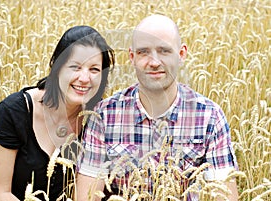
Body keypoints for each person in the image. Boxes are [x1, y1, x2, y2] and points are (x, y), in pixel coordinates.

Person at [76, 15, 239, 201]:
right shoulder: (104, 115)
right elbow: (87, 197)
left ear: (181, 54)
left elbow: (224, 196)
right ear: (132, 57)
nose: (154, 62)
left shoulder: (209, 117)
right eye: (144, 52)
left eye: (164, 51)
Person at [0, 25, 115, 201]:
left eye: (94, 69)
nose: (84, 79)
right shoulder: (15, 111)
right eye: (75, 67)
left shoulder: (95, 123)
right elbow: (0, 192)